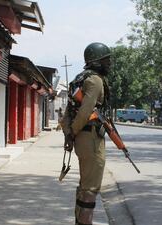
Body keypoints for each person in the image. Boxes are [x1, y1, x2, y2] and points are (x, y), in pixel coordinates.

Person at [61, 42, 111, 225]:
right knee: (90, 189)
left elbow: (68, 113)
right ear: (96, 61)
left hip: (82, 139)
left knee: (84, 186)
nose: (109, 64)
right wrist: (73, 132)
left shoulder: (78, 79)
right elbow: (85, 111)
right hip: (90, 139)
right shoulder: (96, 80)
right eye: (106, 60)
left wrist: (69, 133)